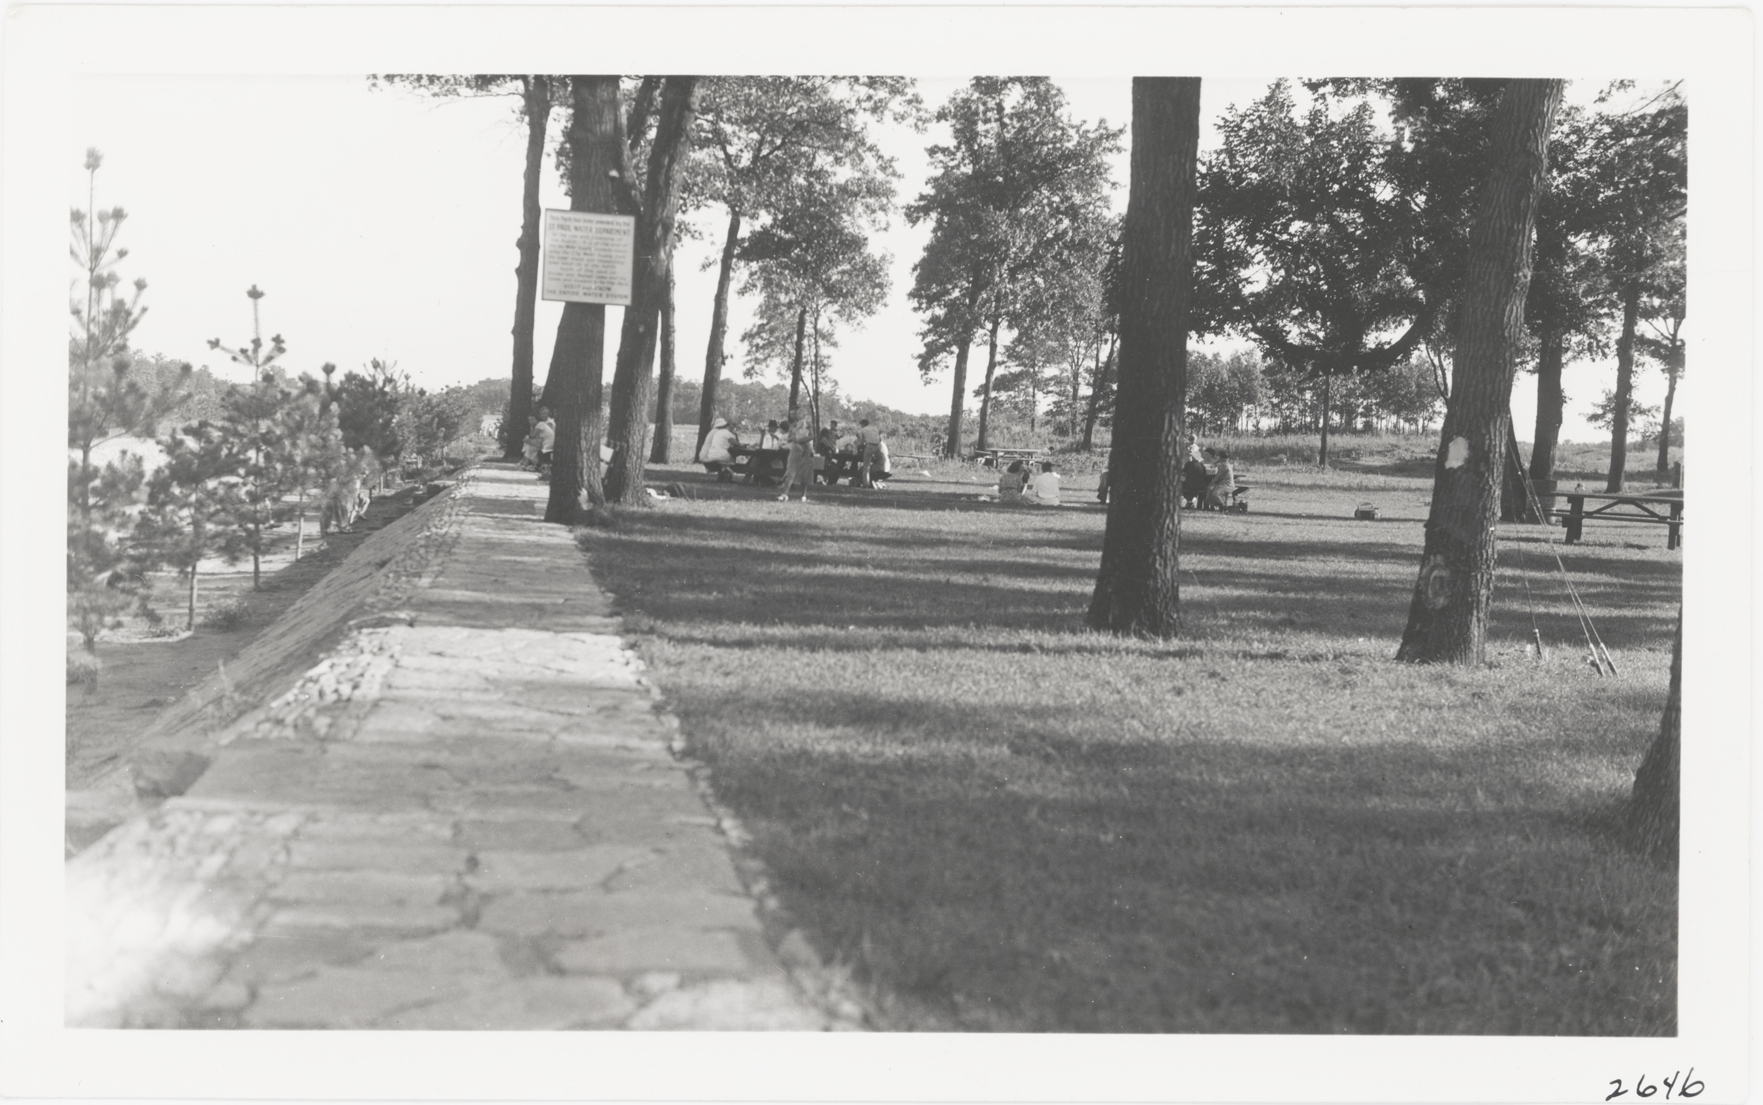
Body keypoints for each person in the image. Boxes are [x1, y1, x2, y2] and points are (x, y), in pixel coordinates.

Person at [778, 417, 815, 502]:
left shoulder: (809, 424)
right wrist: (794, 439)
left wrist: (801, 440)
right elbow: (789, 438)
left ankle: (803, 495)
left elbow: (812, 436)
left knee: (804, 473)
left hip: (806, 450)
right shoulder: (793, 426)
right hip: (795, 450)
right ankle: (785, 494)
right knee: (790, 471)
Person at [697, 416, 739, 481]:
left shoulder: (713, 431)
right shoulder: (719, 432)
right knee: (725, 456)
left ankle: (722, 476)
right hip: (707, 454)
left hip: (705, 453)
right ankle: (727, 473)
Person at [855, 418, 883, 488]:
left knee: (866, 466)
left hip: (870, 446)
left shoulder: (862, 430)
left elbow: (860, 443)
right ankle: (877, 482)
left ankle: (866, 484)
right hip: (878, 446)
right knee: (878, 464)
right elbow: (880, 439)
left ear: (862, 424)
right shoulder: (875, 429)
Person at [534, 408, 556, 480]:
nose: (544, 415)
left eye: (545, 413)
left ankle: (546, 472)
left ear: (548, 414)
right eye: (542, 413)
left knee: (543, 454)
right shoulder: (543, 422)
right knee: (541, 454)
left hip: (550, 442)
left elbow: (548, 433)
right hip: (545, 441)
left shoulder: (549, 422)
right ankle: (545, 471)